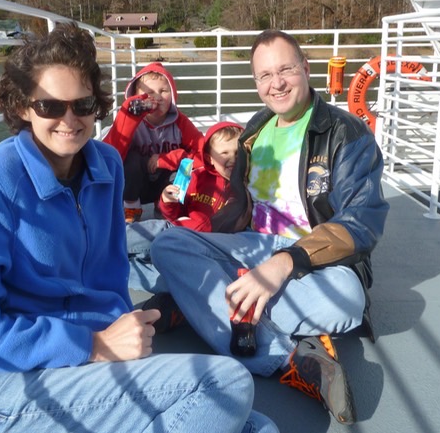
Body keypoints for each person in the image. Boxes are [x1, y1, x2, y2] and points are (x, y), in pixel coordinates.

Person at [0, 23, 279, 433]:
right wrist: (94, 345)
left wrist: (121, 339)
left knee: (256, 427)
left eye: (82, 105)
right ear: (24, 107)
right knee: (227, 384)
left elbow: (111, 277)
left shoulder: (106, 167)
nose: (69, 119)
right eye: (50, 107)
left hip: (85, 363)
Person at [150, 29, 389, 425]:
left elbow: (362, 222)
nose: (276, 83)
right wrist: (199, 233)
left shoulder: (346, 134)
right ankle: (292, 358)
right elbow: (239, 209)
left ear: (306, 69)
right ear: (257, 82)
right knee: (168, 245)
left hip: (314, 262)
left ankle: (202, 302)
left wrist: (280, 266)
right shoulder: (255, 131)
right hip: (251, 247)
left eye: (286, 70)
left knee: (348, 298)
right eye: (264, 75)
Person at [127, 121, 243, 294]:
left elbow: (227, 224)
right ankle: (98, 249)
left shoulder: (243, 187)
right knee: (139, 236)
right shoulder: (197, 176)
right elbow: (173, 214)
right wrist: (167, 201)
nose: (232, 158)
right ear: (210, 157)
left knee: (167, 274)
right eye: (224, 152)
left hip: (201, 245)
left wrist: (197, 226)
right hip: (175, 231)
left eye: (237, 152)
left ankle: (104, 265)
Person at [103, 61, 203, 223]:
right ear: (136, 96)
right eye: (149, 92)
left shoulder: (181, 122)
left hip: (165, 185)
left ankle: (165, 207)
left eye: (163, 91)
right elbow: (109, 157)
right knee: (131, 160)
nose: (157, 97)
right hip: (136, 186)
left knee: (185, 167)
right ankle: (132, 209)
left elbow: (203, 153)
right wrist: (127, 118)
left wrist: (169, 159)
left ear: (173, 94)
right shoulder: (131, 121)